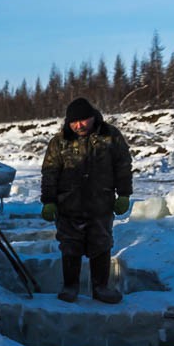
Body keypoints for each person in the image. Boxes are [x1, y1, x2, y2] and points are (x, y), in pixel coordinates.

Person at [40, 97, 132, 303]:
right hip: (68, 204)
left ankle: (101, 288)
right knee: (69, 245)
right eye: (74, 122)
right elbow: (50, 172)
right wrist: (49, 200)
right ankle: (70, 286)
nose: (79, 125)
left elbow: (123, 166)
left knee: (101, 244)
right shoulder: (59, 141)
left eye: (83, 120)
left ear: (93, 117)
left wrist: (124, 194)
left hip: (101, 203)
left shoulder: (110, 136)